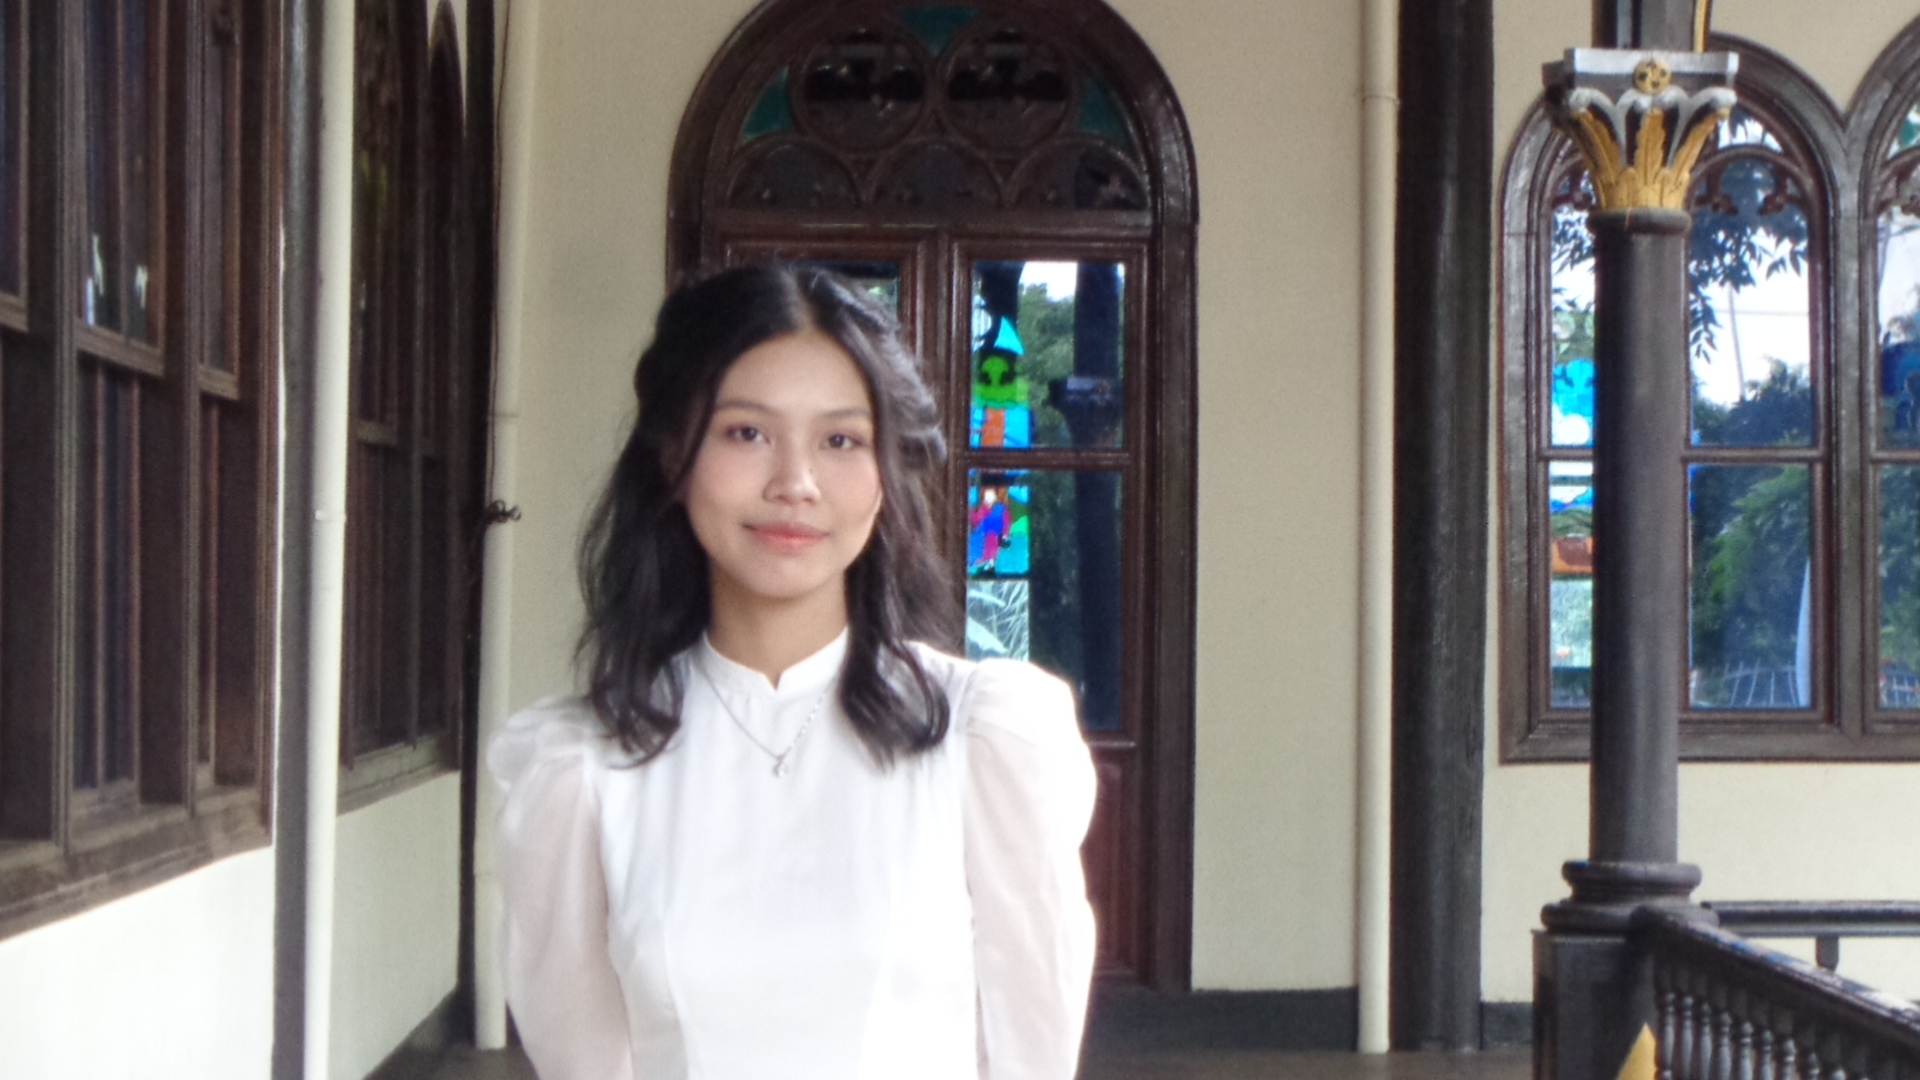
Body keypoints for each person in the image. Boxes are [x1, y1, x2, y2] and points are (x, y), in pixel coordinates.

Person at [489, 263, 1097, 1080]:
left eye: (841, 441)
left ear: (885, 474)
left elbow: (1033, 1052)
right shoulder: (583, 768)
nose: (796, 484)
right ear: (673, 454)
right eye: (747, 433)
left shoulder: (979, 740)